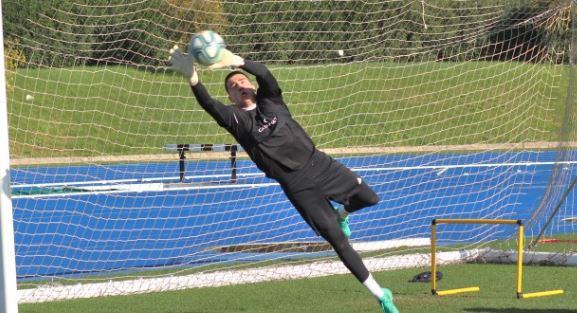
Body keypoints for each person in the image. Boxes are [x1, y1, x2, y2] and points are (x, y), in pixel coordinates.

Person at [168, 44, 399, 313]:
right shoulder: (237, 120)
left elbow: (265, 74)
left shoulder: (271, 101)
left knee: (370, 198)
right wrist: (192, 77)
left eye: (242, 80)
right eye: (233, 86)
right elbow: (209, 104)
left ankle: (343, 213)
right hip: (297, 185)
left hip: (320, 164)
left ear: (251, 86)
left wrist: (236, 61)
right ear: (231, 97)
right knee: (337, 240)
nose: (239, 85)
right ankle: (381, 295)